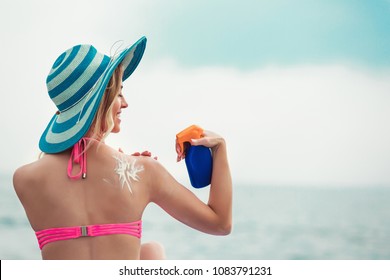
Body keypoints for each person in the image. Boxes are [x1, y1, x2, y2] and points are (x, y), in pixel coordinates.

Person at [13, 36, 232, 260]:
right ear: (102, 100)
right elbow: (220, 223)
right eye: (118, 93)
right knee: (152, 251)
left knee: (148, 251)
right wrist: (219, 149)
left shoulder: (24, 179)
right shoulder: (144, 171)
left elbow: (82, 192)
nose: (125, 103)